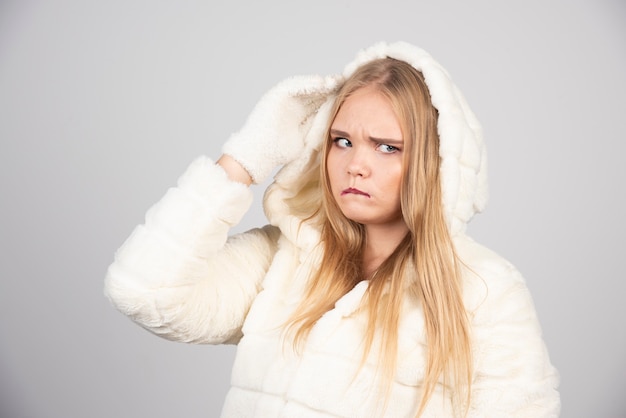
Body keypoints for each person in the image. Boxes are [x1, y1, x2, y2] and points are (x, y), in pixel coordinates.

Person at [104, 41, 560, 417]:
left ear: (431, 163)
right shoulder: (285, 255)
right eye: (342, 141)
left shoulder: (484, 289)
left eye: (387, 147)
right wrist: (244, 157)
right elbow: (143, 292)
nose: (355, 165)